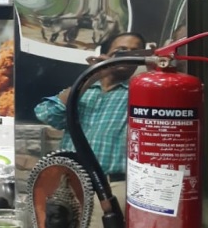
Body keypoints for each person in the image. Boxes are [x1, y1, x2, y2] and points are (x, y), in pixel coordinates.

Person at [34, 31, 146, 179]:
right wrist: (92, 76)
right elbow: (47, 115)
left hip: (114, 183)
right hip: (71, 179)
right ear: (104, 55)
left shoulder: (139, 93)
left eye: (135, 53)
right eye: (121, 51)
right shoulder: (83, 89)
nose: (127, 57)